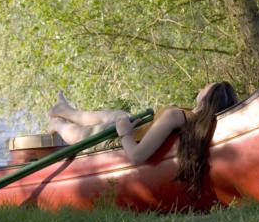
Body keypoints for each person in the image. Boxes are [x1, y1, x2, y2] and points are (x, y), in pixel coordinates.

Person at [48, 82, 238, 195]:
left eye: (206, 87)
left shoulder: (178, 116)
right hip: (135, 130)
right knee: (119, 114)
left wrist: (124, 133)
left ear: (208, 99)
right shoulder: (189, 117)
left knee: (85, 134)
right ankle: (66, 111)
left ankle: (56, 124)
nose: (201, 87)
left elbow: (137, 156)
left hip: (124, 142)